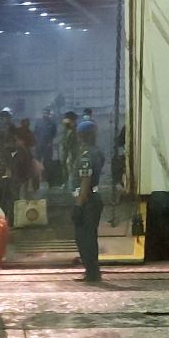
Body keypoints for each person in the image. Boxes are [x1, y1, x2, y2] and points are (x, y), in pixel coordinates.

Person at [69, 119, 104, 282]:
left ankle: (91, 272)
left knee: (84, 238)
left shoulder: (86, 155)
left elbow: (85, 180)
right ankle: (92, 271)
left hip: (87, 200)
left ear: (82, 135)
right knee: (90, 236)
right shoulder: (96, 151)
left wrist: (78, 205)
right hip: (92, 199)